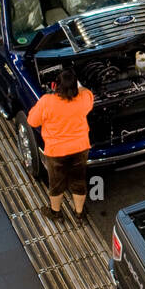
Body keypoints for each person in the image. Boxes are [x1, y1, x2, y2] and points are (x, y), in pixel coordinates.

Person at [27, 68, 95, 221]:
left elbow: (32, 121)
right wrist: (80, 86)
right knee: (78, 181)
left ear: (56, 85)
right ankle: (79, 213)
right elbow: (88, 93)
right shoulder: (83, 98)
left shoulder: (47, 101)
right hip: (80, 148)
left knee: (56, 183)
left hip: (56, 151)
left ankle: (56, 213)